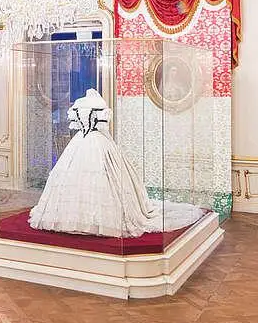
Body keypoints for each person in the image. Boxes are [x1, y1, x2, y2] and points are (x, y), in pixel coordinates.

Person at [28, 88, 200, 238]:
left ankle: (75, 219)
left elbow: (83, 125)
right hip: (96, 142)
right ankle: (88, 221)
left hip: (82, 142)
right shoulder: (97, 105)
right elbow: (102, 126)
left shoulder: (80, 105)